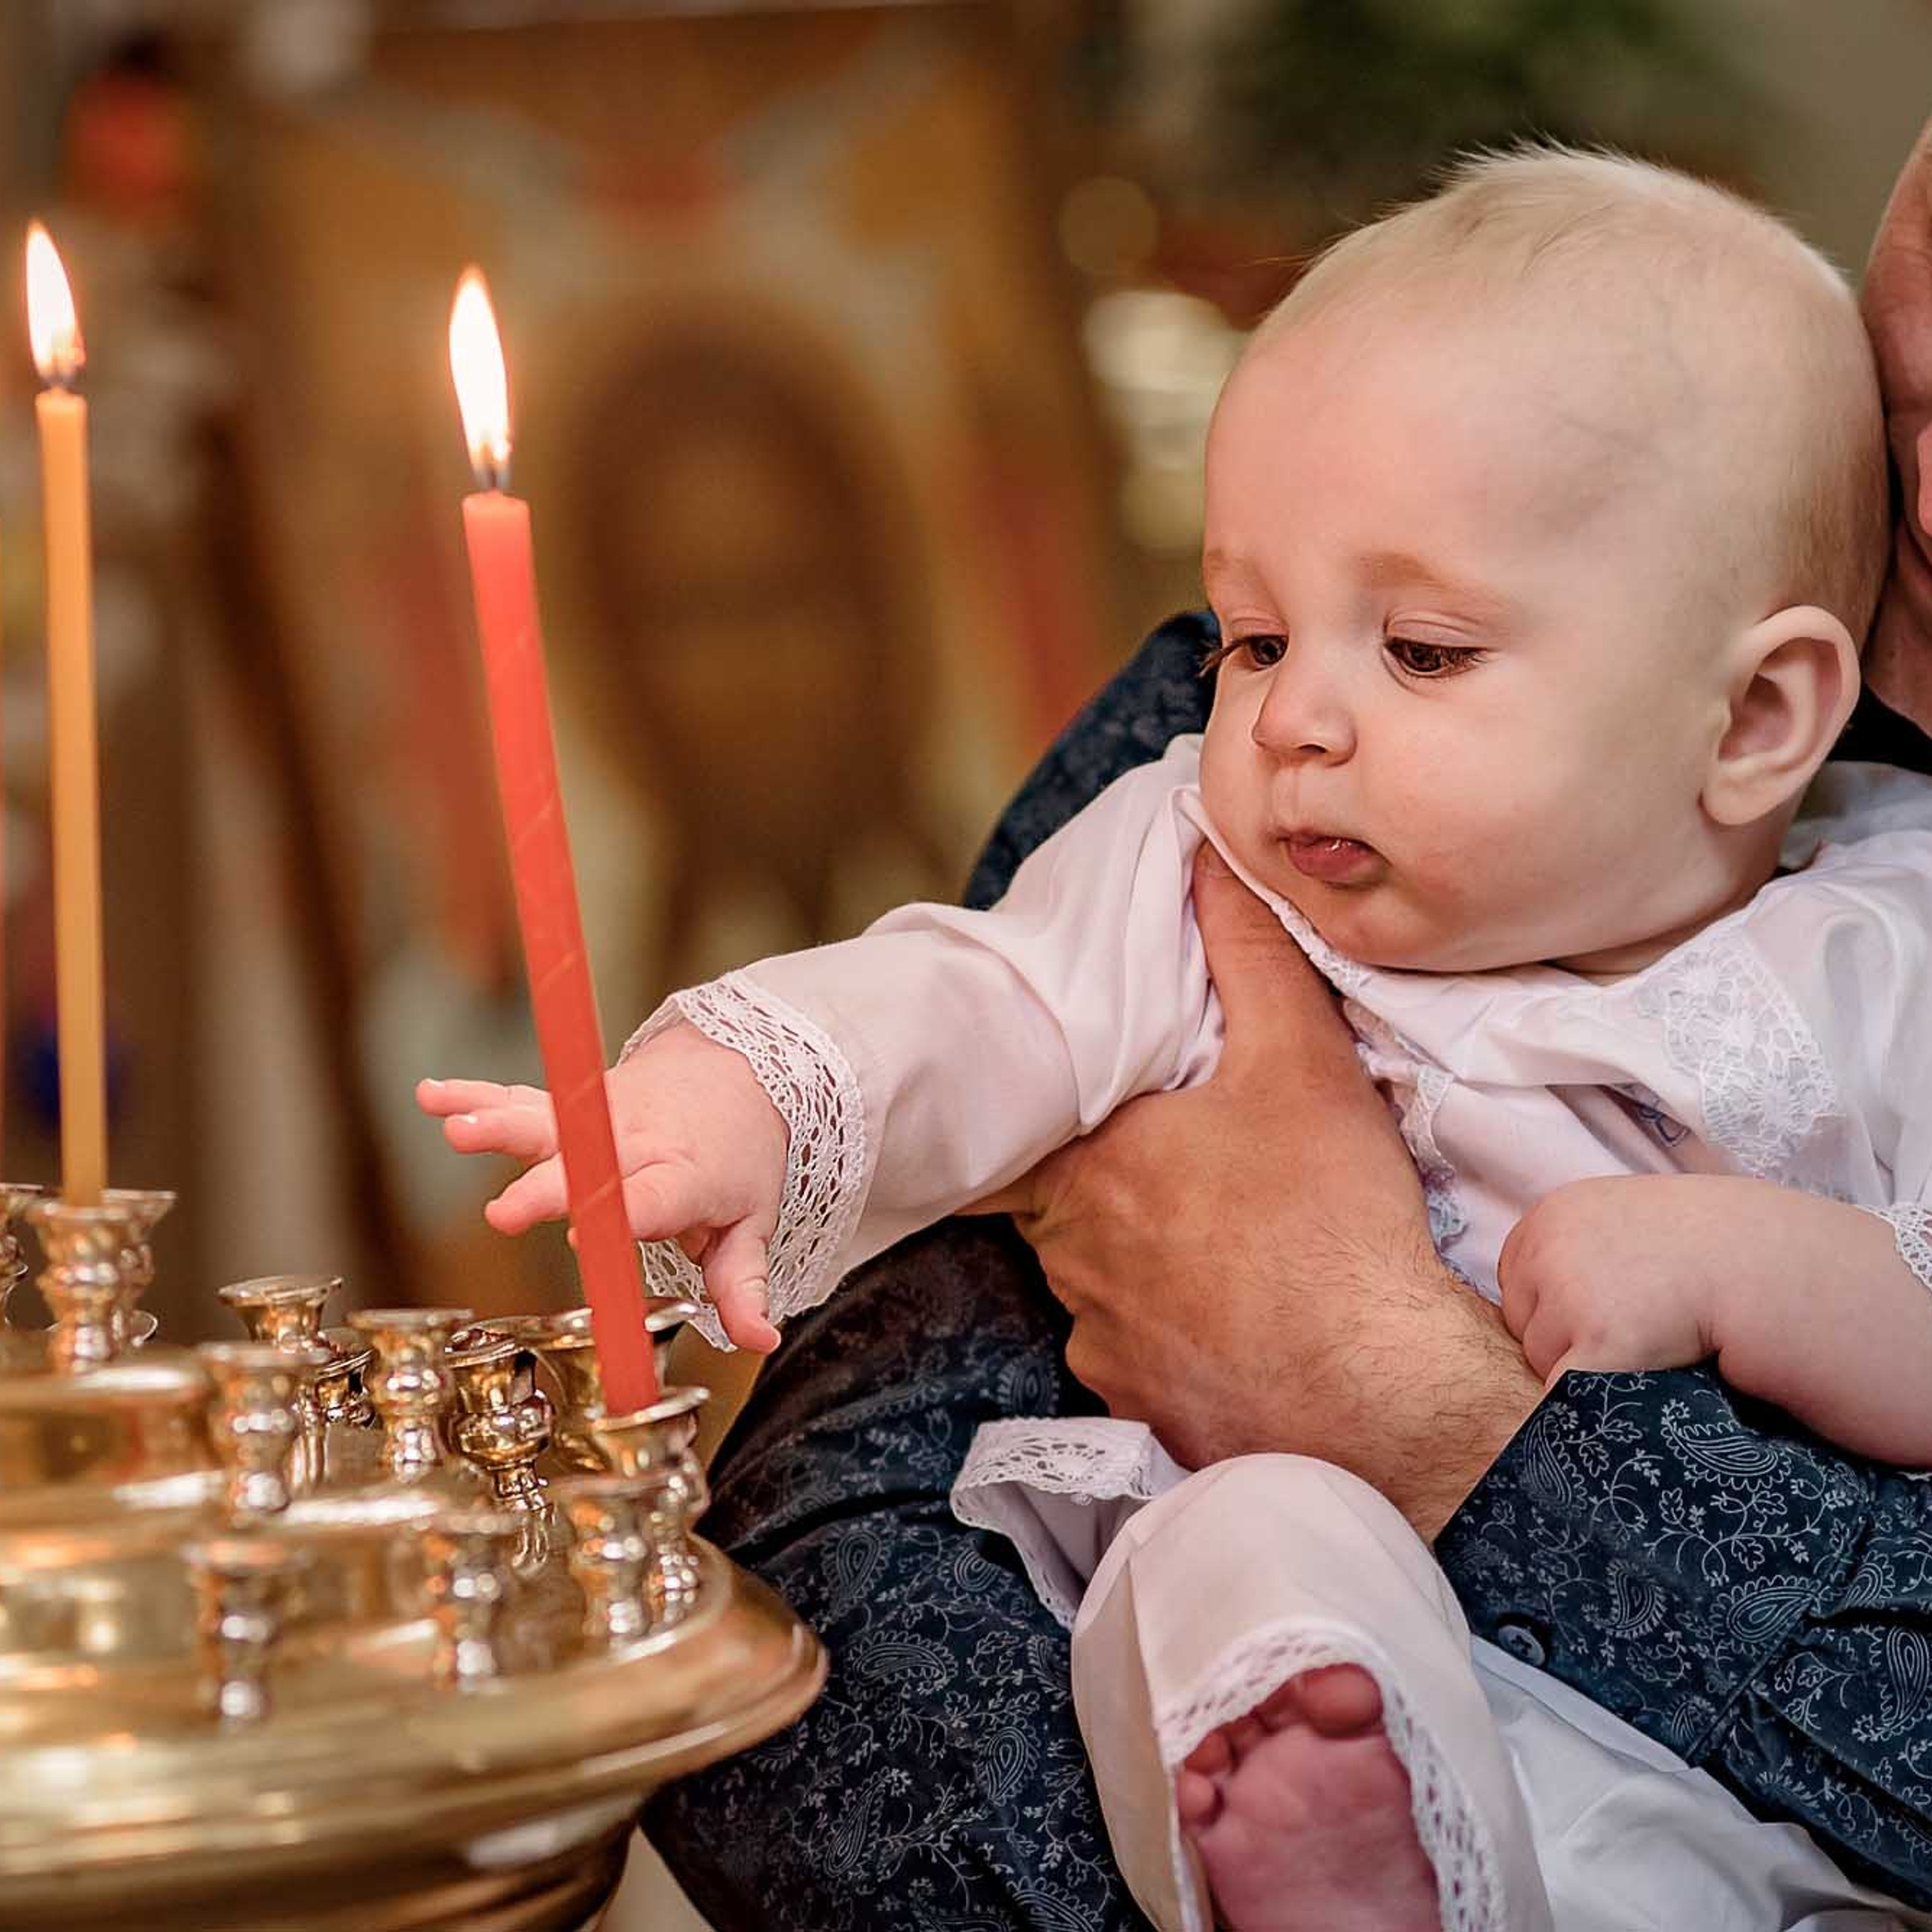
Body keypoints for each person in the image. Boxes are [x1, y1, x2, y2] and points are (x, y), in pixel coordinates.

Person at [421, 146, 1932, 1930]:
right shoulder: (1207, 858)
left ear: (1751, 715)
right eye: (1253, 635)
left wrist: (1742, 1271)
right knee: (1235, 1559)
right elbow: (981, 1002)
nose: (1291, 717)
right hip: (1332, 1666)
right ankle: (1336, 1860)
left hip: (1727, 1835)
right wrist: (740, 1094)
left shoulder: (1878, 946)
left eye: (1422, 650)